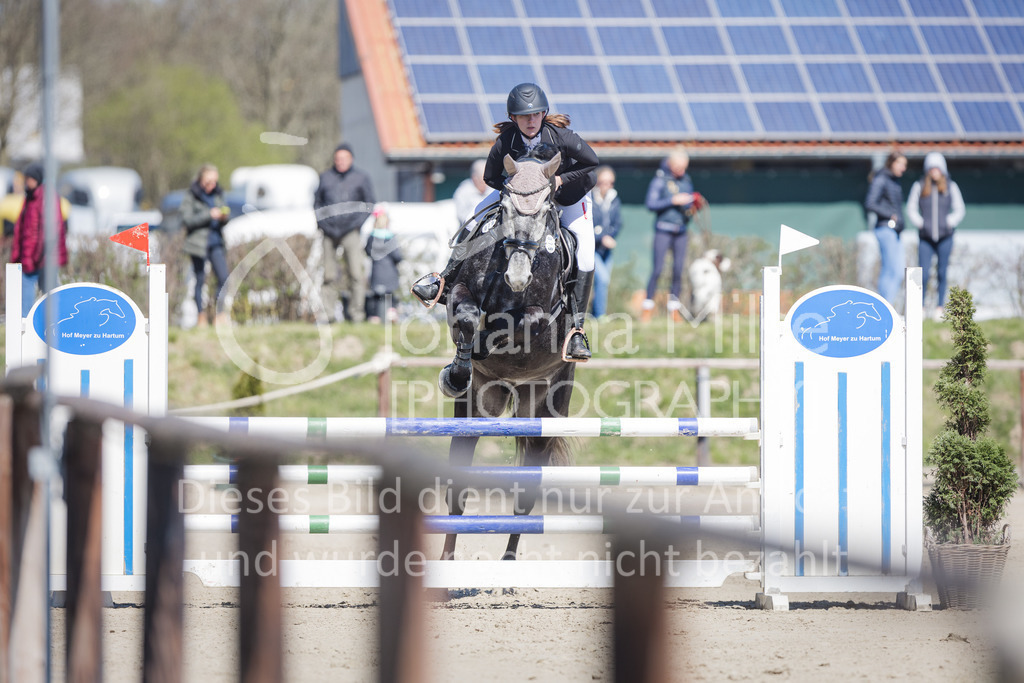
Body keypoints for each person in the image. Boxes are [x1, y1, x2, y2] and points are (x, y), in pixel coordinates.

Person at [411, 82, 599, 361]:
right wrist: (517, 189)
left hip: (567, 197)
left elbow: (591, 163)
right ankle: (442, 279)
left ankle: (576, 331)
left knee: (585, 252)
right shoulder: (507, 141)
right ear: (514, 118)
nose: (531, 121)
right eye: (524, 116)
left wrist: (559, 180)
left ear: (544, 113)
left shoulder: (561, 136)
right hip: (522, 196)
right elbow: (489, 177)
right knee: (473, 215)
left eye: (536, 115)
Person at [315, 143, 375, 323]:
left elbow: (369, 204)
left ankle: (357, 315)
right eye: (337, 159)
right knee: (329, 275)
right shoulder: (325, 178)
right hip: (328, 232)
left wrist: (355, 224)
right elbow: (317, 204)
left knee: (356, 274)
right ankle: (329, 315)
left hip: (351, 231)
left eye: (344, 159)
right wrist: (324, 224)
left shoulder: (361, 178)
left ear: (351, 159)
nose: (340, 162)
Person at [641, 147, 697, 323]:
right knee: (657, 269)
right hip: (663, 229)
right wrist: (672, 200)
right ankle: (647, 308)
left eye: (684, 167)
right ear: (671, 164)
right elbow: (650, 203)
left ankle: (674, 310)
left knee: (678, 270)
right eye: (679, 167)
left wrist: (692, 205)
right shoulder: (660, 180)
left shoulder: (686, 180)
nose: (682, 170)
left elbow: (688, 203)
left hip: (681, 230)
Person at [906, 152, 965, 319]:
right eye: (931, 168)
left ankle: (940, 307)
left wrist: (949, 222)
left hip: (945, 236)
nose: (934, 171)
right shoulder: (919, 186)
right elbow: (911, 208)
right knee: (922, 273)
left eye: (937, 167)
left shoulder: (950, 187)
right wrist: (921, 223)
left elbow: (959, 209)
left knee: (942, 272)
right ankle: (921, 308)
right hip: (925, 237)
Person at [10, 163, 68, 316]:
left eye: (29, 179)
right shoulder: (30, 197)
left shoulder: (45, 198)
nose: (26, 182)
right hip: (32, 255)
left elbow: (50, 228)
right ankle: (40, 319)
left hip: (42, 256)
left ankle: (29, 318)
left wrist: (37, 255)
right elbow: (23, 229)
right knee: (47, 288)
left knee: (38, 286)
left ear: (36, 179)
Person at [182, 164, 231, 327]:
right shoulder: (191, 195)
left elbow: (225, 217)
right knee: (200, 280)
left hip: (216, 242)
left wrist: (224, 217)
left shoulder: (218, 194)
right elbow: (187, 220)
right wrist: (208, 215)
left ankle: (219, 314)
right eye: (209, 181)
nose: (212, 185)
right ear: (201, 180)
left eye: (214, 181)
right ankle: (201, 316)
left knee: (224, 277)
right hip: (198, 244)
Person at [864, 151, 908, 305]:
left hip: (895, 231)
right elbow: (870, 203)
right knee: (890, 270)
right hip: (885, 229)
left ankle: (888, 305)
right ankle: (884, 305)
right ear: (891, 163)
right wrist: (890, 215)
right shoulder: (881, 179)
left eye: (905, 165)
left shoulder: (894, 181)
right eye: (900, 164)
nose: (903, 168)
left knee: (898, 270)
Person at [590, 165, 622, 319]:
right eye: (603, 182)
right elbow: (588, 225)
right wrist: (602, 237)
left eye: (610, 183)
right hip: (592, 248)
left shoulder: (614, 199)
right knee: (602, 279)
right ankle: (599, 315)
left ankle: (596, 312)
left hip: (607, 250)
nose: (607, 186)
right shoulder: (590, 198)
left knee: (603, 282)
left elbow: (617, 223)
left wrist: (610, 236)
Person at [364, 206, 403, 323]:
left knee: (377, 297)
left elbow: (367, 251)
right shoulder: (391, 238)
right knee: (389, 297)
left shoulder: (371, 237)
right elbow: (398, 256)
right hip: (390, 274)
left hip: (377, 273)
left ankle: (376, 316)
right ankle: (390, 314)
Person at [689, 249, 731, 322]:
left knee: (714, 300)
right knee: (700, 299)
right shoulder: (699, 264)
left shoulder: (715, 273)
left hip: (712, 283)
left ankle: (711, 317)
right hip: (702, 282)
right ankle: (697, 316)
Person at [453, 159, 489, 227]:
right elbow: (462, 216)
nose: (485, 185)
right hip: (470, 231)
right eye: (482, 181)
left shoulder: (492, 189)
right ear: (474, 178)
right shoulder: (463, 191)